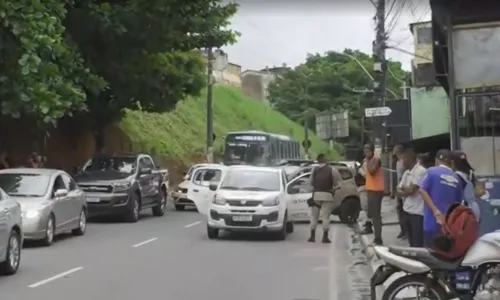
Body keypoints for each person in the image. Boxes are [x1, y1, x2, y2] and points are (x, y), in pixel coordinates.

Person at [417, 149, 464, 247]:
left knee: (430, 253)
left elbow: (421, 190)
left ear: (436, 160)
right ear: (450, 162)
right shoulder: (456, 177)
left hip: (432, 222)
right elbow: (459, 202)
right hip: (448, 225)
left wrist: (435, 211)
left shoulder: (431, 171)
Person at [308, 153, 343, 243]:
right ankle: (325, 237)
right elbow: (339, 183)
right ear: (325, 160)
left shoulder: (314, 170)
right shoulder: (332, 170)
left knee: (314, 216)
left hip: (316, 195)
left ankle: (312, 236)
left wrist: (315, 189)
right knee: (326, 217)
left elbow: (310, 183)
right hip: (328, 195)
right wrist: (334, 188)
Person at [397, 149, 426, 247]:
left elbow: (412, 190)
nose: (401, 162)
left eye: (403, 159)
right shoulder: (406, 173)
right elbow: (398, 191)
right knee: (411, 242)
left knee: (418, 242)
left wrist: (404, 188)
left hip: (418, 212)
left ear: (409, 159)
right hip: (407, 210)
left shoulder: (420, 171)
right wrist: (407, 189)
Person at [361, 144, 385, 245]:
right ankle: (376, 236)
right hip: (370, 189)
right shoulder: (367, 161)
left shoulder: (376, 160)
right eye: (365, 151)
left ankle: (378, 239)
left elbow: (371, 171)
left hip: (377, 190)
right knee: (371, 214)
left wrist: (366, 162)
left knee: (376, 216)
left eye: (368, 151)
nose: (366, 153)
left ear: (372, 151)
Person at [451, 151, 481, 221]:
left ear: (453, 162)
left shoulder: (456, 176)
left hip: (463, 210)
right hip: (475, 208)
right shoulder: (471, 173)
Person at [393, 144, 407, 239]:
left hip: (404, 187)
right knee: (399, 209)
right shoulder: (398, 162)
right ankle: (402, 229)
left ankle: (406, 231)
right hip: (399, 187)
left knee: (405, 210)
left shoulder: (405, 162)